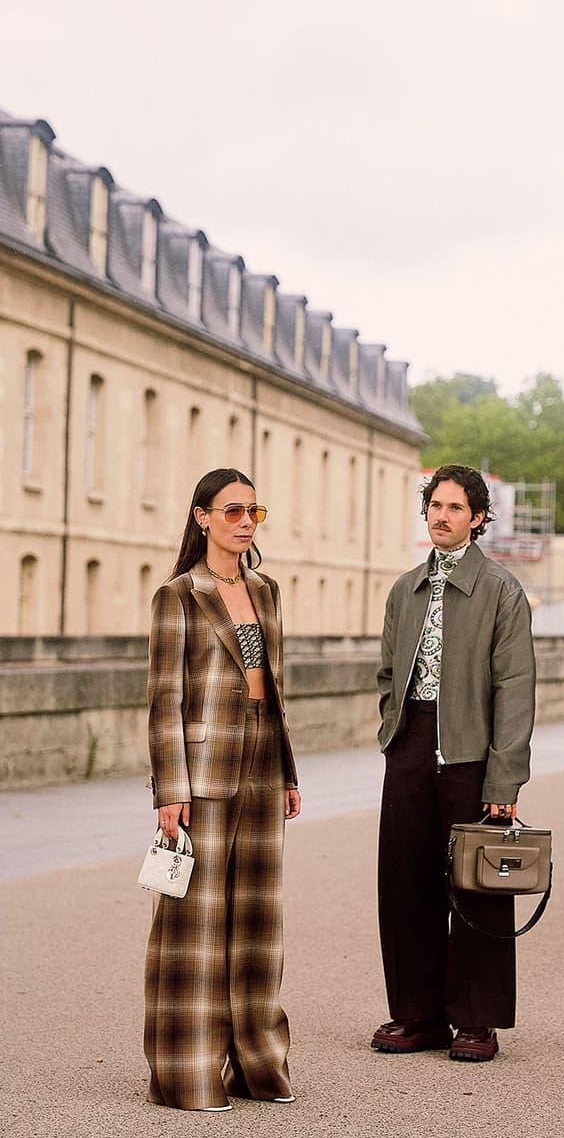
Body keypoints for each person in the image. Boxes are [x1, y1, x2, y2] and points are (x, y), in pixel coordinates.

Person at [144, 468, 301, 1112]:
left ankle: (259, 1066)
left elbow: (275, 688)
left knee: (259, 924)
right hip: (200, 772)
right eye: (232, 511)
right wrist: (168, 789)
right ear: (203, 517)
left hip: (263, 761)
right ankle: (186, 1075)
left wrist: (288, 771)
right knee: (195, 926)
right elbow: (163, 701)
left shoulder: (265, 592)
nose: (244, 521)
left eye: (253, 512)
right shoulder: (178, 596)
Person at [372, 464, 536, 1063]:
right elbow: (390, 671)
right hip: (410, 744)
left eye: (454, 507)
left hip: (473, 752)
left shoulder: (501, 591)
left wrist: (504, 777)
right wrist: (394, 728)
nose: (441, 516)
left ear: (478, 519)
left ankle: (476, 1020)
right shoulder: (405, 588)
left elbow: (515, 688)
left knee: (477, 886)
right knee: (406, 882)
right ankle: (416, 1015)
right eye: (434, 505)